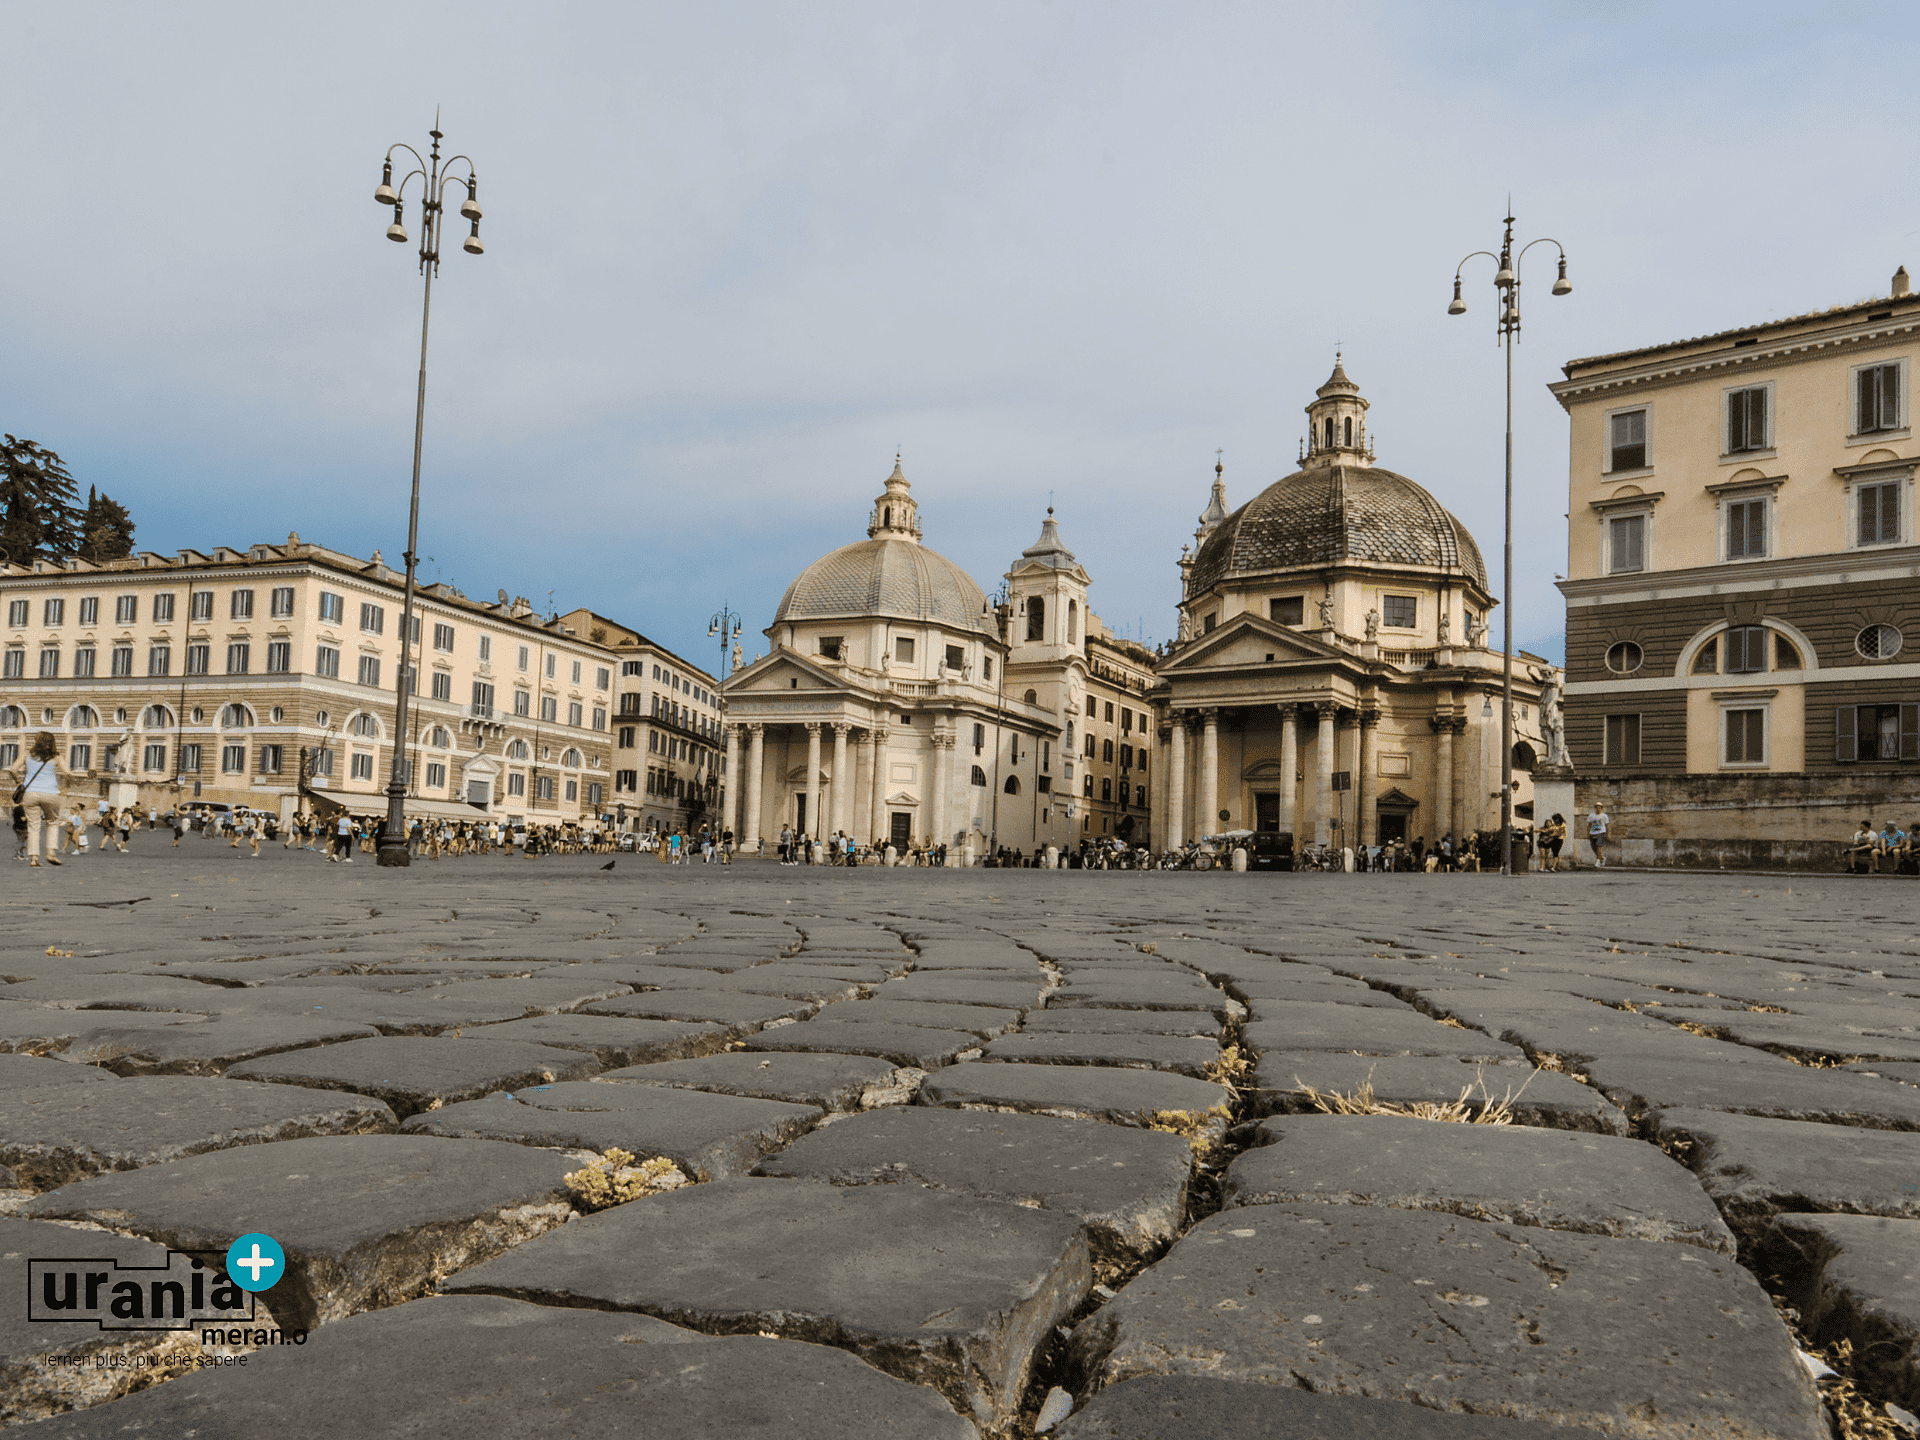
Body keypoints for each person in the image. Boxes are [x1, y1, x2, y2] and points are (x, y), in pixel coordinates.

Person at [14, 733, 66, 867]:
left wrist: (18, 782)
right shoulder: (56, 756)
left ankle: (33, 859)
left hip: (30, 793)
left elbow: (13, 769)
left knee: (33, 826)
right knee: (53, 822)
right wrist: (68, 784)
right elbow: (69, 772)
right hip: (51, 793)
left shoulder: (27, 754)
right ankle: (50, 854)